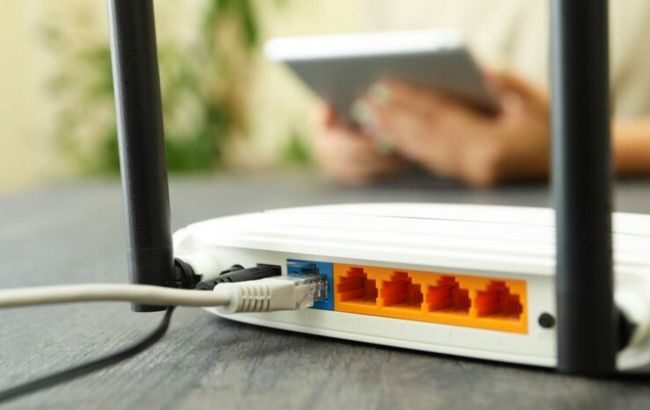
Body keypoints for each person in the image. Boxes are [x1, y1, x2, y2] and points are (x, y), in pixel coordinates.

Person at [313, 0, 650, 187]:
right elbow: (375, 78)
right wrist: (351, 131)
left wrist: (574, 148)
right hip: (423, 204)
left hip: (613, 207)